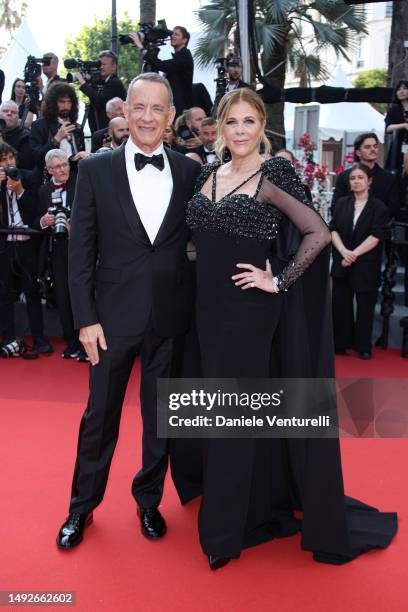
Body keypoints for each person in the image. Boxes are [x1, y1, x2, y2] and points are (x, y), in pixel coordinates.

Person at [178, 88, 397, 570]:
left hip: (249, 313)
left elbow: (317, 232)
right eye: (232, 122)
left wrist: (278, 280)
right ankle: (249, 503)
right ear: (220, 126)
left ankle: (224, 532)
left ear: (261, 128)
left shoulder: (270, 176)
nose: (239, 131)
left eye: (249, 122)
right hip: (207, 313)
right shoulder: (208, 176)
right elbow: (201, 244)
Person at [56, 73, 201, 550]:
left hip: (169, 317)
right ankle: (81, 509)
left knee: (161, 419)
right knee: (100, 417)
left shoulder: (187, 171)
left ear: (170, 116)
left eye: (157, 109)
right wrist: (85, 318)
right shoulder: (95, 170)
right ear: (124, 112)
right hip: (110, 320)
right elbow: (81, 253)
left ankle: (148, 500)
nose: (146, 117)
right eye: (138, 107)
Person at [330, 164, 390, 359]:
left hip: (366, 263)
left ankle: (363, 346)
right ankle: (340, 343)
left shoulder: (379, 207)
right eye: (353, 178)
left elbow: (376, 235)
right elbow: (334, 229)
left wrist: (353, 254)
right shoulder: (341, 203)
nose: (356, 181)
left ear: (369, 181)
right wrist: (343, 252)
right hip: (342, 259)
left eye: (360, 177)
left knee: (365, 306)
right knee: (340, 304)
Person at [0, 143, 53, 354]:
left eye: (10, 158)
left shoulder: (29, 177)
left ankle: (39, 338)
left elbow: (34, 211)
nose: (8, 163)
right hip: (4, 246)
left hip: (27, 243)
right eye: (3, 160)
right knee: (4, 295)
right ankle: (8, 338)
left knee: (32, 292)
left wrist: (20, 190)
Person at [34, 149, 86, 360]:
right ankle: (71, 341)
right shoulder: (43, 191)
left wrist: (78, 226)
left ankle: (85, 344)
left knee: (83, 295)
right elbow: (36, 221)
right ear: (48, 170)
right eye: (56, 167)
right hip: (58, 248)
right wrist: (43, 222)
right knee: (63, 296)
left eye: (64, 164)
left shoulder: (83, 182)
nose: (62, 169)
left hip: (83, 247)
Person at [129, 26, 193, 118]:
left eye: (177, 34)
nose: (172, 36)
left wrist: (140, 46)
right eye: (172, 34)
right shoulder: (180, 56)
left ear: (184, 40)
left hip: (179, 108)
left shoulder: (184, 56)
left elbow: (162, 65)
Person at [331, 132, 399, 218]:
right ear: (358, 152)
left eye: (375, 146)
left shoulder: (389, 178)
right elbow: (335, 207)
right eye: (367, 147)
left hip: (379, 227)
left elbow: (394, 209)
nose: (373, 149)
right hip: (348, 226)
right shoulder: (345, 176)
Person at [29, 83, 87, 170]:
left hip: (74, 175)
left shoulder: (77, 128)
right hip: (50, 177)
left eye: (69, 102)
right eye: (62, 102)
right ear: (52, 103)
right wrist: (56, 139)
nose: (66, 106)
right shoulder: (39, 125)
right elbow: (37, 158)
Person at [74, 50, 126, 134]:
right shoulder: (104, 82)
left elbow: (98, 100)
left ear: (114, 67)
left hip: (110, 132)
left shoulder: (114, 83)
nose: (101, 67)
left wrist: (83, 83)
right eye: (100, 64)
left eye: (104, 64)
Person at [0, 100, 36, 170]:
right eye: (5, 111)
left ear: (18, 118)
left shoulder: (26, 136)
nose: (9, 114)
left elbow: (26, 163)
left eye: (13, 112)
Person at [385, 80, 408, 181]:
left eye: (404, 88)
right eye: (399, 89)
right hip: (399, 146)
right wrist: (403, 125)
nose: (401, 91)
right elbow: (388, 128)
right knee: (396, 176)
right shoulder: (394, 109)